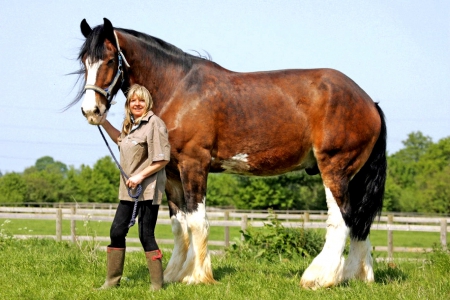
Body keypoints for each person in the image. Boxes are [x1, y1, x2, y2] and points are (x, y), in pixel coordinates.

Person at [99, 84, 170, 291]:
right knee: (116, 231)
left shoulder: (154, 124)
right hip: (129, 190)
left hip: (148, 188)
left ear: (147, 103)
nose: (137, 104)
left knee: (145, 235)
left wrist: (139, 176)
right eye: (132, 101)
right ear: (128, 105)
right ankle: (112, 282)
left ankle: (157, 285)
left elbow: (162, 159)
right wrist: (103, 122)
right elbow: (121, 141)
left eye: (141, 100)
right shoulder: (130, 125)